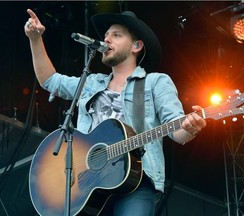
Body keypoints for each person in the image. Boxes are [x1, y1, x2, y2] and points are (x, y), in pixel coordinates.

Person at [24, 8, 207, 216]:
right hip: (86, 183)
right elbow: (49, 80)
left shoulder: (156, 82)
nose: (107, 39)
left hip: (136, 182)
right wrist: (35, 39)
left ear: (136, 46)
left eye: (116, 35)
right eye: (106, 35)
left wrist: (191, 127)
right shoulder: (91, 82)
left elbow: (177, 130)